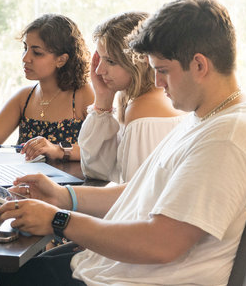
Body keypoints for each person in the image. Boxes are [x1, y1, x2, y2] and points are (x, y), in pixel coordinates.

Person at [0, 0, 246, 286]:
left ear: (199, 65)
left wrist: (59, 220)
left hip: (137, 278)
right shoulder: (208, 116)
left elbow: (161, 243)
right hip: (115, 267)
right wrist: (64, 198)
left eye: (163, 71)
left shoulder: (228, 139)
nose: (157, 82)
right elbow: (144, 191)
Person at [78, 12, 182, 183]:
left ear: (138, 62)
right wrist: (103, 99)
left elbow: (133, 198)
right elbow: (96, 171)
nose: (98, 71)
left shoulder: (142, 109)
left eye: (110, 61)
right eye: (100, 60)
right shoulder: (138, 100)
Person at [0, 14, 94, 162]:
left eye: (37, 52)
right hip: (24, 183)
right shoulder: (24, 97)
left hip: (67, 184)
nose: (25, 58)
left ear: (61, 60)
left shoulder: (82, 94)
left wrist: (57, 149)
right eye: (25, 48)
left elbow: (100, 153)